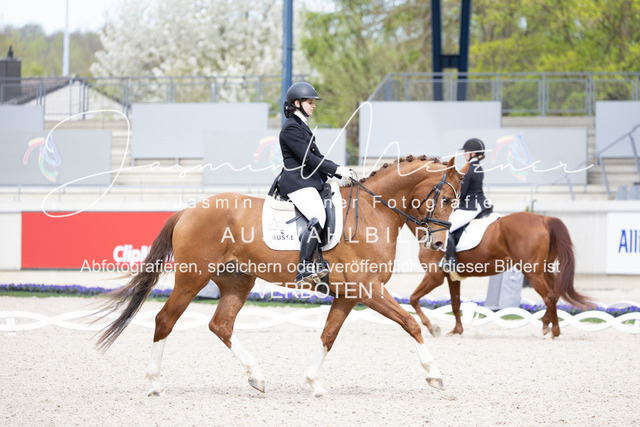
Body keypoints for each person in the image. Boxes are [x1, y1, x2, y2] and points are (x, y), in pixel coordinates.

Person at [273, 82, 351, 285]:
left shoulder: (301, 126)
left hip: (309, 181)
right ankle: (304, 266)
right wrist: (337, 170)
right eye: (310, 102)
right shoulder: (291, 128)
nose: (313, 105)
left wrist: (338, 170)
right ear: (297, 103)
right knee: (318, 216)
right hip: (297, 182)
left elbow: (318, 157)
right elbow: (309, 159)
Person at [440, 138, 492, 273]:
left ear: (473, 153)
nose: (464, 154)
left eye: (466, 151)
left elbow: (461, 194)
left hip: (470, 206)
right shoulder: (478, 167)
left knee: (447, 227)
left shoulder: (468, 169)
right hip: (479, 203)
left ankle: (451, 260)